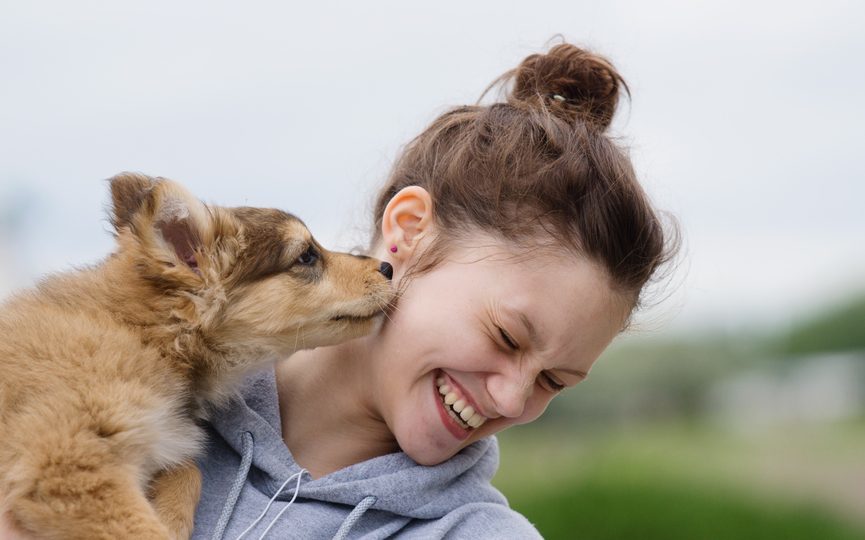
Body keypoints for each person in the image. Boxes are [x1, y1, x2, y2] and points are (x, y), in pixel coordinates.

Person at [1, 42, 675, 539]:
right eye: (504, 337)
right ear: (407, 234)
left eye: (554, 381)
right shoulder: (141, 408)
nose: (510, 397)